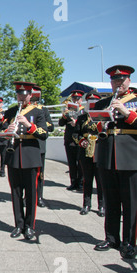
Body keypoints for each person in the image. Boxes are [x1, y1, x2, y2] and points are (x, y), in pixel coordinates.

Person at [93, 65, 137, 259]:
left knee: (130, 202)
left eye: (121, 80)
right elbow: (96, 127)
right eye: (114, 80)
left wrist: (126, 113)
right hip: (107, 154)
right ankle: (111, 238)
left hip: (130, 155)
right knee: (111, 200)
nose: (117, 83)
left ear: (128, 80)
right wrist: (99, 121)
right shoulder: (104, 102)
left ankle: (129, 242)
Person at [3, 82, 48, 240]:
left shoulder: (38, 112)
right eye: (19, 94)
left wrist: (29, 125)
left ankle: (29, 226)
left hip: (31, 156)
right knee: (15, 193)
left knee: (31, 194)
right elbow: (0, 129)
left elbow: (44, 133)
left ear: (30, 95)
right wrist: (7, 131)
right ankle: (18, 224)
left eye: (25, 94)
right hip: (13, 156)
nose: (21, 96)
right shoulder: (11, 112)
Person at [72, 91, 104, 216]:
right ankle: (86, 204)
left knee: (100, 180)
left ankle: (102, 205)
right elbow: (75, 134)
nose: (92, 104)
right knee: (87, 179)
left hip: (99, 150)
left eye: (95, 102)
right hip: (85, 151)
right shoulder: (82, 117)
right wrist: (81, 141)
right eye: (90, 102)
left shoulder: (103, 115)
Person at [31, 86, 54, 207]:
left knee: (40, 174)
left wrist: (39, 124)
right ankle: (28, 197)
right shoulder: (25, 109)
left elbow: (50, 126)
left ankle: (39, 196)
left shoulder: (43, 109)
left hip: (40, 145)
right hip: (28, 146)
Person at [59, 90, 84, 191]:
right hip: (69, 139)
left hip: (79, 139)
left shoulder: (83, 111)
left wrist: (76, 123)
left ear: (81, 100)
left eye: (77, 99)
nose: (76, 100)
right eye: (74, 99)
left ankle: (81, 183)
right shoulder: (68, 111)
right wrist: (65, 115)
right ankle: (73, 182)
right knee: (72, 163)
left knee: (81, 163)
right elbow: (61, 123)